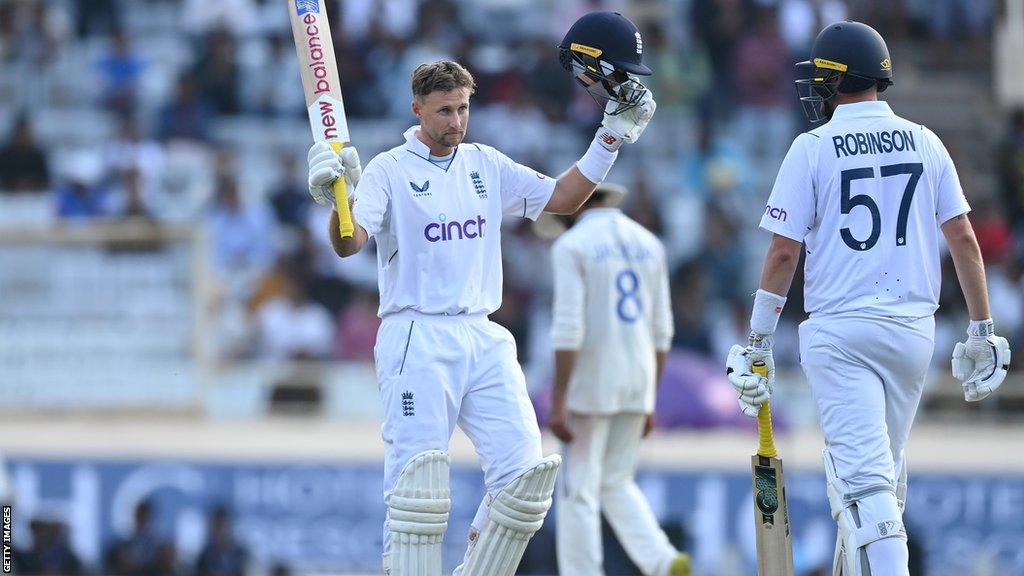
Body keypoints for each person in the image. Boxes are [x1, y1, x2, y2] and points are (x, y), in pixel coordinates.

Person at [304, 11, 656, 576]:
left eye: (464, 108)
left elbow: (563, 198)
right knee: (418, 496)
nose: (456, 121)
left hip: (482, 334)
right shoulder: (388, 171)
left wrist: (609, 137)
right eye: (445, 110)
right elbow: (350, 243)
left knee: (524, 483)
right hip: (416, 335)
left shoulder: (485, 164)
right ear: (417, 109)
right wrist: (334, 196)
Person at [725, 21, 1011, 576]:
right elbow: (965, 242)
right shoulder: (926, 140)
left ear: (835, 79)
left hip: (841, 334)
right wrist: (982, 330)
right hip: (912, 334)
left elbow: (784, 254)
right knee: (872, 481)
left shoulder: (811, 148)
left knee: (868, 489)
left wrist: (757, 341)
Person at [547, 183, 690, 576]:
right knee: (615, 481)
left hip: (591, 382)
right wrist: (650, 398)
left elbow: (567, 329)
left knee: (579, 491)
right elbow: (663, 330)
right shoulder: (650, 244)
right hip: (638, 379)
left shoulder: (571, 246)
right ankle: (664, 561)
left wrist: (559, 399)